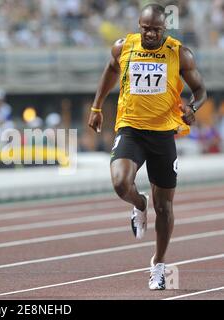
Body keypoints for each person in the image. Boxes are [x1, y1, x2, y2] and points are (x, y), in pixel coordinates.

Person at [88, 4, 207, 290]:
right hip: (130, 128)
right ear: (138, 25)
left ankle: (159, 264)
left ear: (164, 29)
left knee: (164, 208)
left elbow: (201, 91)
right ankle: (138, 204)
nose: (150, 34)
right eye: (145, 28)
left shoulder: (179, 53)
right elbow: (110, 70)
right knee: (120, 183)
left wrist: (193, 108)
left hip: (163, 134)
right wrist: (97, 106)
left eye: (156, 29)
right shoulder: (124, 46)